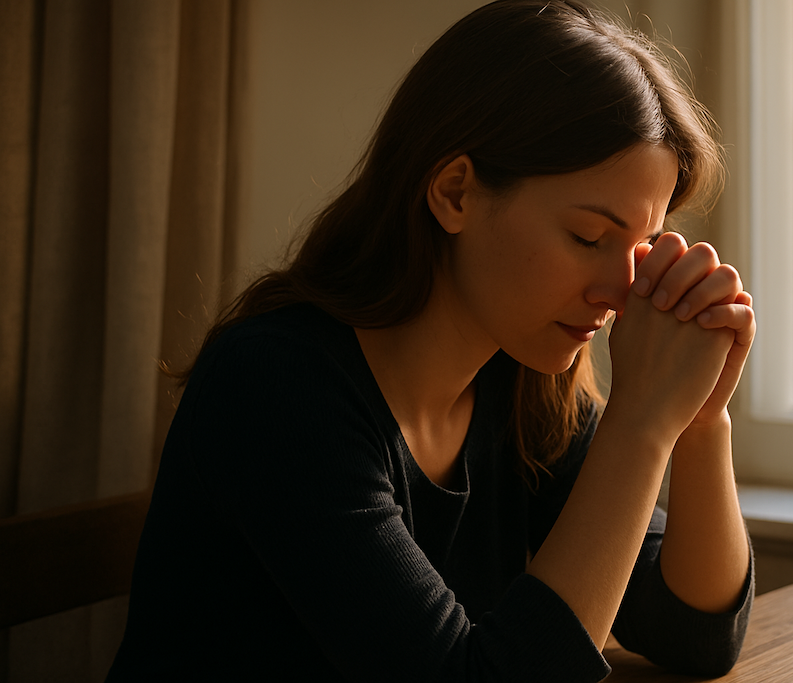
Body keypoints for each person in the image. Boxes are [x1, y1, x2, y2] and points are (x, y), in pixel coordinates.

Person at [106, 1, 756, 681]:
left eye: (643, 246)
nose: (623, 292)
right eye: (589, 237)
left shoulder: (520, 379)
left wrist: (699, 418)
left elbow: (697, 633)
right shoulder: (274, 385)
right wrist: (640, 424)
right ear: (455, 193)